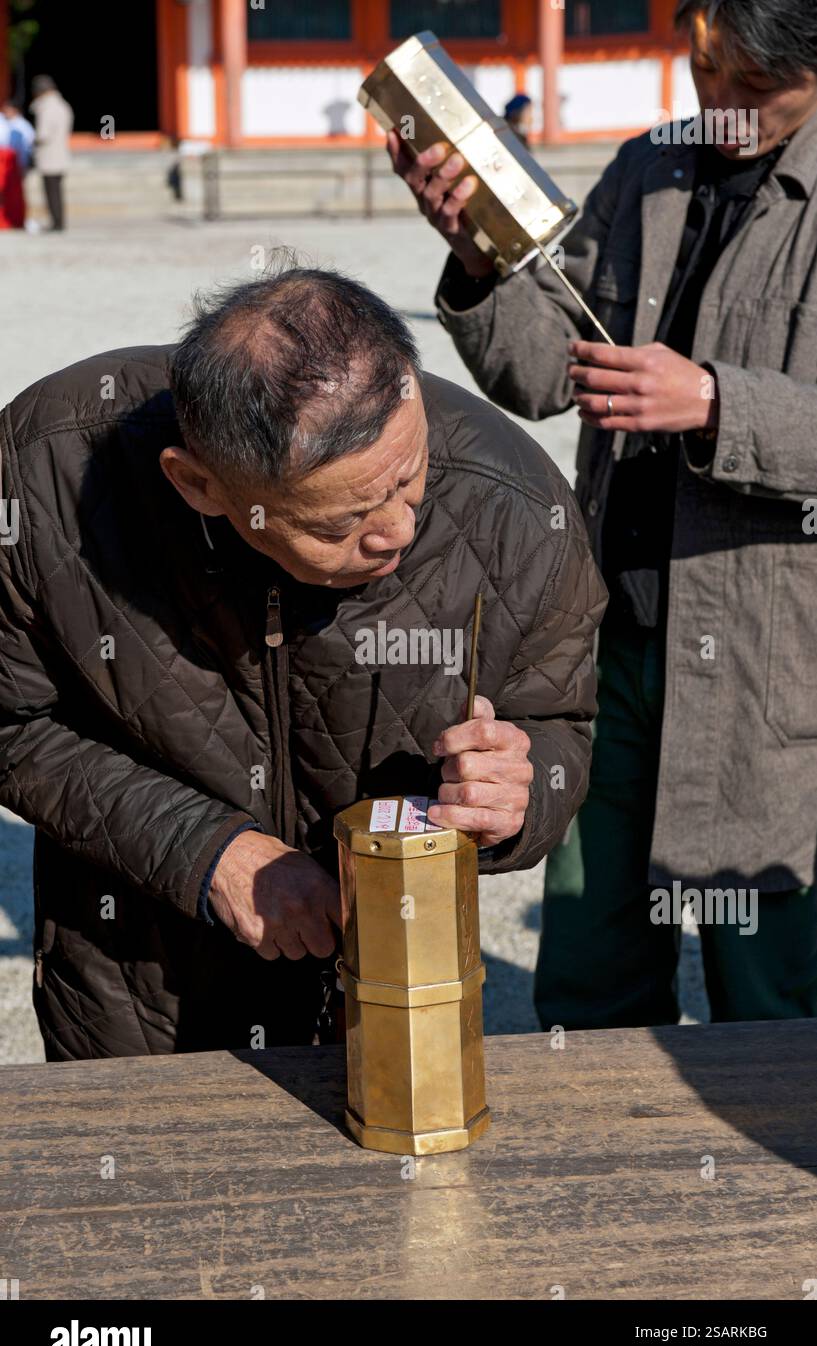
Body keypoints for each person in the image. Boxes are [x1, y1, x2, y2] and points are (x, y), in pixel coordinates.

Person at [0, 265, 605, 1061]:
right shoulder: (46, 471)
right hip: (138, 981)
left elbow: (558, 722)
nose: (395, 530)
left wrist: (517, 797)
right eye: (342, 521)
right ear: (199, 484)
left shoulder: (512, 502)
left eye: (407, 477)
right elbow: (15, 722)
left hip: (391, 990)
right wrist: (204, 853)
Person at [388, 0, 817, 1028]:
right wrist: (478, 247)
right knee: (587, 964)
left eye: (757, 91)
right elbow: (541, 369)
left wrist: (716, 401)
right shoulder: (647, 168)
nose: (720, 108)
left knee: (774, 992)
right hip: (610, 635)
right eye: (705, 73)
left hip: (770, 656)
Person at [29, 74, 73, 231]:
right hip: (60, 153)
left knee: (51, 192)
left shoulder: (47, 107)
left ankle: (56, 223)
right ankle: (58, 221)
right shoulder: (63, 105)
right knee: (57, 191)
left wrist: (31, 140)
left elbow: (43, 134)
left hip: (49, 155)